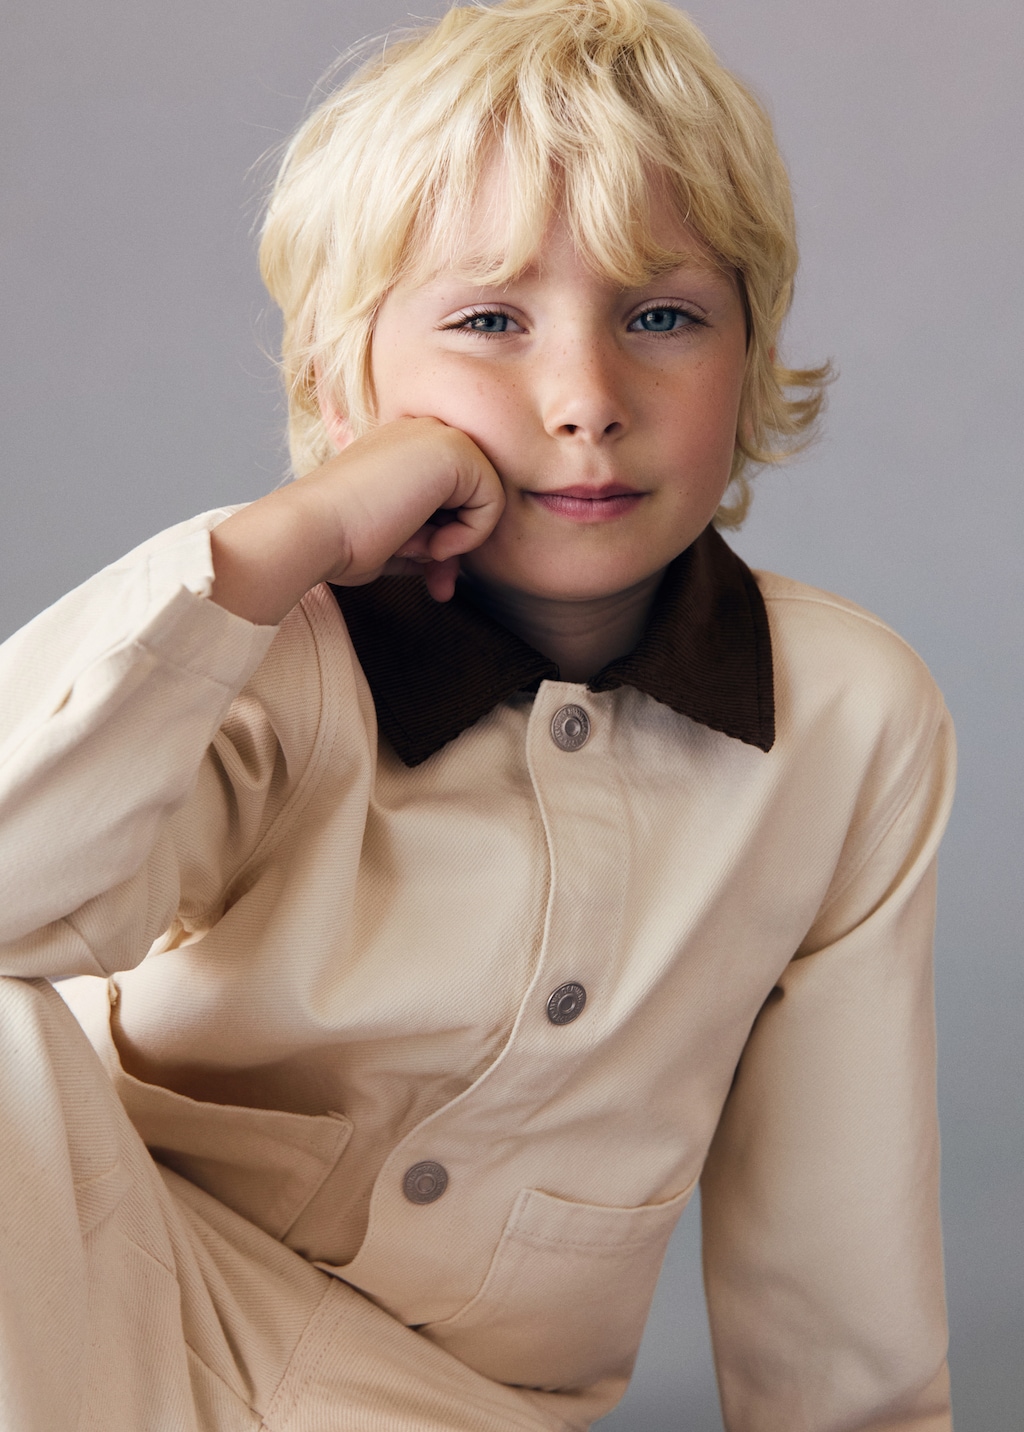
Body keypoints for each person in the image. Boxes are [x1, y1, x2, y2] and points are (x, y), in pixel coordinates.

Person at [0, 1, 955, 1428]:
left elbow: (838, 1268)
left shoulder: (849, 717)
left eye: (662, 316)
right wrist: (277, 547)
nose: (586, 398)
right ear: (346, 381)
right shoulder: (266, 652)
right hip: (105, 1327)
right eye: (490, 320)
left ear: (749, 357)